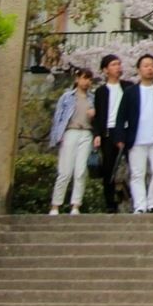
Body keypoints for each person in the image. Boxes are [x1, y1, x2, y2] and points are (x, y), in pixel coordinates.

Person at [113, 52, 153, 213]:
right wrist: (120, 137)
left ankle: (152, 202)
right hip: (136, 140)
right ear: (139, 70)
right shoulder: (130, 92)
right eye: (146, 66)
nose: (149, 69)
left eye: (152, 66)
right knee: (137, 174)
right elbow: (121, 116)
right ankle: (140, 205)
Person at [46, 66, 96, 215]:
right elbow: (58, 117)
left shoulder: (92, 98)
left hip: (86, 133)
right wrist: (56, 136)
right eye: (84, 78)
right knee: (65, 171)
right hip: (70, 132)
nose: (87, 82)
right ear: (77, 79)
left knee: (80, 171)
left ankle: (76, 205)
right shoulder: (67, 97)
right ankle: (56, 205)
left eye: (89, 79)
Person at [91, 53, 131, 213]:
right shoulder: (101, 91)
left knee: (132, 165)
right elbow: (99, 114)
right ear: (105, 69)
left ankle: (134, 200)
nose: (118, 67)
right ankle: (109, 202)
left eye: (119, 64)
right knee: (108, 168)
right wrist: (97, 134)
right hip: (108, 131)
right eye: (114, 64)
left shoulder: (128, 86)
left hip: (126, 129)